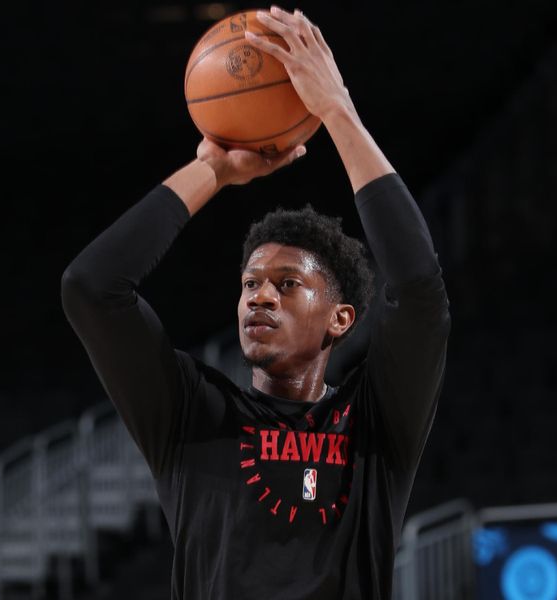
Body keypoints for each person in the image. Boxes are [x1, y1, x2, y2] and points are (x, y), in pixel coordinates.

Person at [62, 6, 450, 598]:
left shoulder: (373, 424)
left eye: (288, 284)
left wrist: (336, 112)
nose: (259, 296)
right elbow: (91, 288)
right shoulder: (191, 415)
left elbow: (420, 289)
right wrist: (211, 169)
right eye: (249, 284)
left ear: (340, 319)